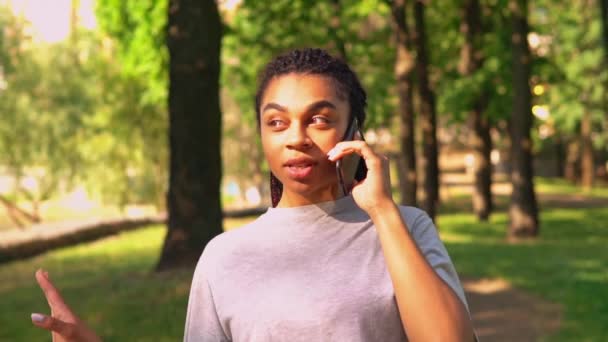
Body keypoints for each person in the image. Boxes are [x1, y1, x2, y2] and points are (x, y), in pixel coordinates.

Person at [32, 48, 475, 341]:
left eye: (319, 119)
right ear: (261, 134)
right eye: (277, 122)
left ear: (353, 130)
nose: (295, 138)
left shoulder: (405, 227)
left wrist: (382, 210)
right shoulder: (223, 256)